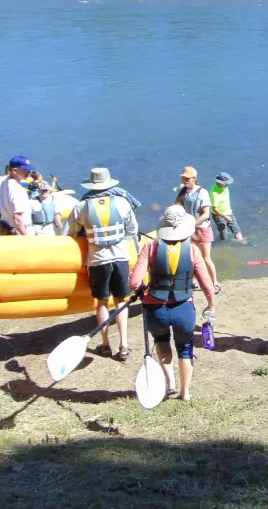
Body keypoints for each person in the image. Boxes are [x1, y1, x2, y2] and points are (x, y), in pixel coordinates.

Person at [129, 205, 216, 401]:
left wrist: (141, 291)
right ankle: (185, 393)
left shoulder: (149, 248)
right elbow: (208, 287)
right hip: (183, 309)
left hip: (155, 309)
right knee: (185, 348)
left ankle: (171, 383)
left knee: (161, 341)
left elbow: (134, 282)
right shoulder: (193, 251)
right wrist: (210, 306)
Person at [65, 167, 138, 360]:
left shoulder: (81, 207)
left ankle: (105, 344)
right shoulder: (122, 202)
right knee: (121, 301)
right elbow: (132, 229)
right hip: (121, 257)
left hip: (98, 261)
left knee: (102, 303)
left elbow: (70, 232)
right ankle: (124, 345)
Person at [175, 167, 220, 300]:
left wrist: (192, 224)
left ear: (194, 178)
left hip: (202, 229)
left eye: (187, 178)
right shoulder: (182, 192)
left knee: (206, 258)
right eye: (183, 178)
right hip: (189, 230)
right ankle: (194, 282)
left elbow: (206, 214)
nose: (185, 180)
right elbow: (177, 208)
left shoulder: (202, 192)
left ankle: (215, 283)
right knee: (192, 257)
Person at [0, 156, 36, 236]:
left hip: (5, 227)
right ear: (14, 171)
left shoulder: (2, 182)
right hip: (19, 231)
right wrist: (27, 237)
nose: (29, 172)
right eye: (25, 170)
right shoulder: (17, 188)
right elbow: (17, 217)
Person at [210, 172, 246, 244]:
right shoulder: (214, 192)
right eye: (226, 183)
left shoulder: (225, 186)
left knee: (237, 231)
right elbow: (214, 208)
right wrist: (225, 217)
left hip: (228, 212)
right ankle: (217, 245)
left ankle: (244, 245)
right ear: (220, 183)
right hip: (218, 215)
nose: (227, 185)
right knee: (223, 236)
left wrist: (227, 215)